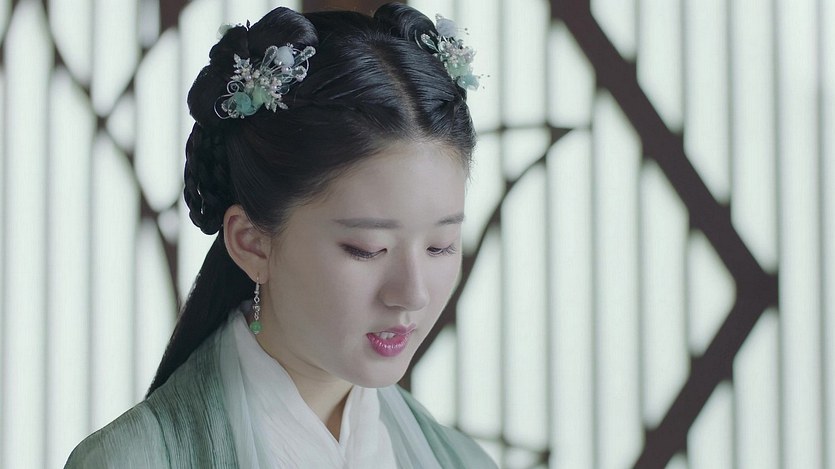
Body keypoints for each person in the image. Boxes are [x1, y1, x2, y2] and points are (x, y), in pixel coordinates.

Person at [65, 3, 493, 467]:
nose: (412, 294)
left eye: (439, 246)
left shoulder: (462, 460)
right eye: (367, 249)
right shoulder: (132, 459)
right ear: (252, 242)